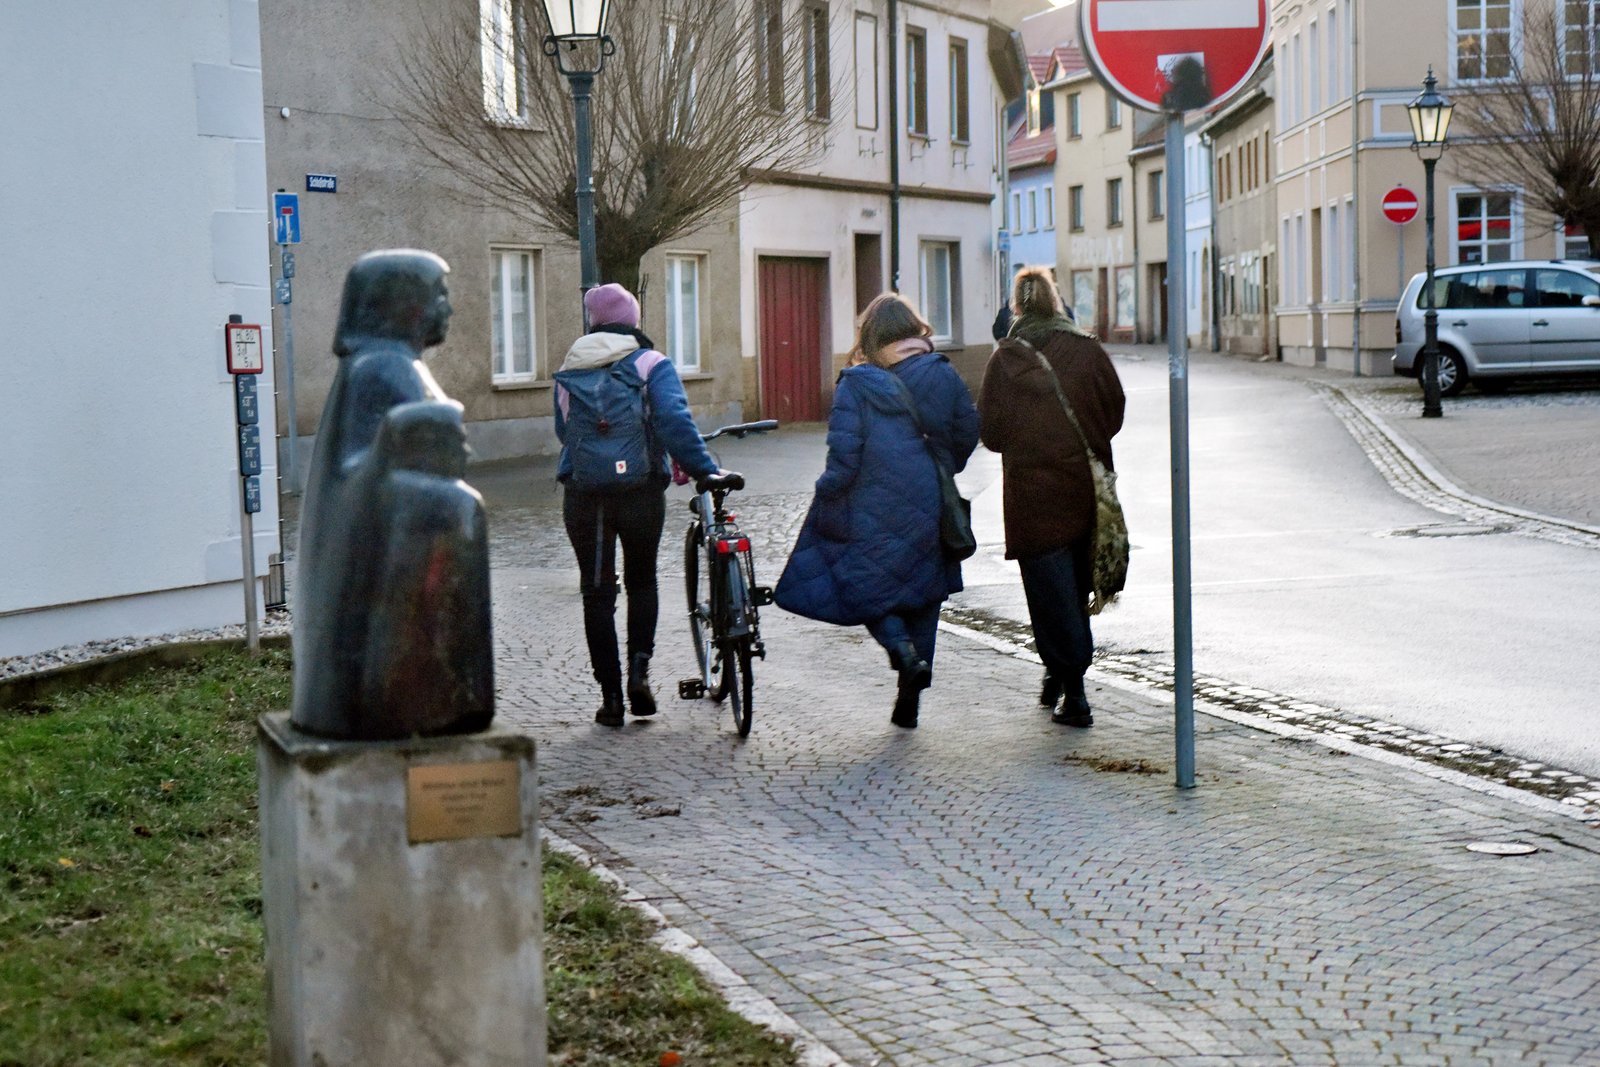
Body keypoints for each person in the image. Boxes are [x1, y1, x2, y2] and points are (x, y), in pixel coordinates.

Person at [775, 293, 980, 729]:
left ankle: (901, 652)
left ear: (871, 336)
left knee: (862, 583)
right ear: (914, 330)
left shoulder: (858, 383)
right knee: (925, 592)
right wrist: (942, 466)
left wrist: (828, 492)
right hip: (929, 499)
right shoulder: (942, 372)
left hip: (871, 502)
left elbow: (844, 455)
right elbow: (968, 430)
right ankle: (911, 694)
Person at [556, 283, 724, 728]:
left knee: (597, 593)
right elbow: (674, 420)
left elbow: (565, 433)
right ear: (633, 319)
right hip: (640, 492)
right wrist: (700, 468)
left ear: (592, 320)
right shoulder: (651, 362)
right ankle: (639, 674)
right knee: (642, 581)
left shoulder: (570, 368)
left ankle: (610, 698)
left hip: (586, 493)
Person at [979, 266, 1125, 728]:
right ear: (1057, 301)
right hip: (1083, 489)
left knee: (1048, 593)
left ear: (1017, 307)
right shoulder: (1088, 350)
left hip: (1032, 496)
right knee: (1075, 585)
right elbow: (1115, 409)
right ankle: (1060, 675)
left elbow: (991, 433)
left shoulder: (1005, 360)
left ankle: (1074, 691)